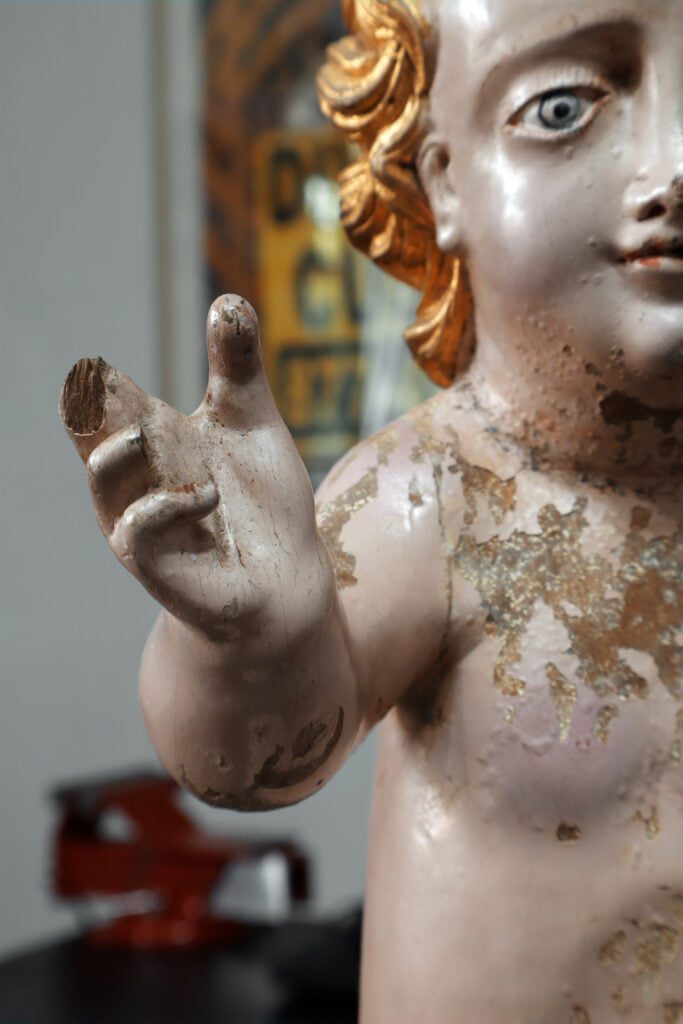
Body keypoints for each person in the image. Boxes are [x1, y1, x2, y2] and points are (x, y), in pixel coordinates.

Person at [60, 0, 683, 1019]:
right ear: (443, 181)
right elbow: (255, 754)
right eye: (562, 107)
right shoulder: (438, 492)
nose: (672, 162)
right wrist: (252, 644)